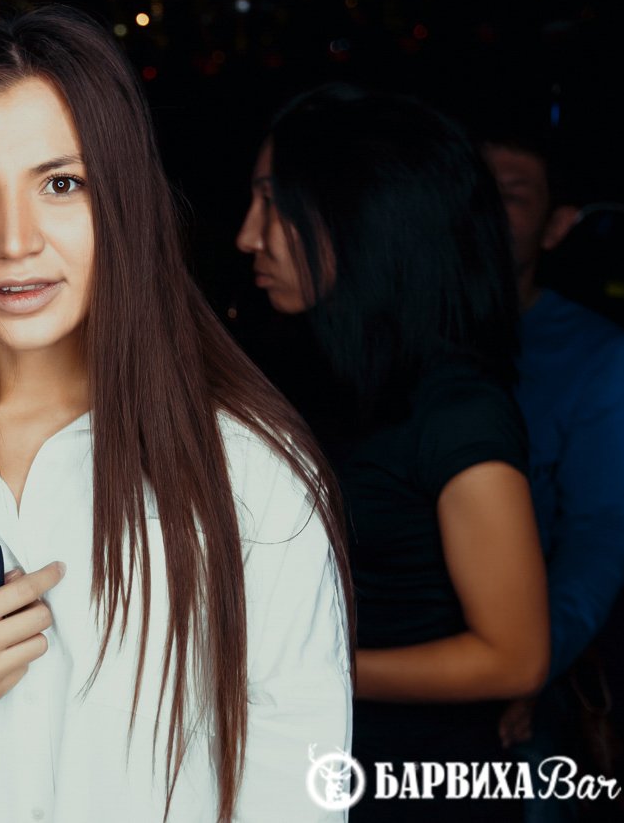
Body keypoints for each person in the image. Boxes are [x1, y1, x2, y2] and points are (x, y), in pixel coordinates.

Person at [0, 6, 353, 823]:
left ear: (123, 198)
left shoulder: (246, 466)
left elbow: (300, 787)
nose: (15, 241)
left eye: (60, 183)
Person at [237, 85, 549, 821]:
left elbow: (514, 657)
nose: (249, 235)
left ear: (364, 216)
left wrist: (290, 675)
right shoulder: (314, 375)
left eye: (275, 204)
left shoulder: (458, 414)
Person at [480, 131, 624, 821]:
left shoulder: (595, 352)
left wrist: (532, 655)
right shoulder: (397, 331)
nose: (483, 209)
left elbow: (607, 525)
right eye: (471, 188)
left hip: (524, 676)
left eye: (510, 196)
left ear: (557, 225)